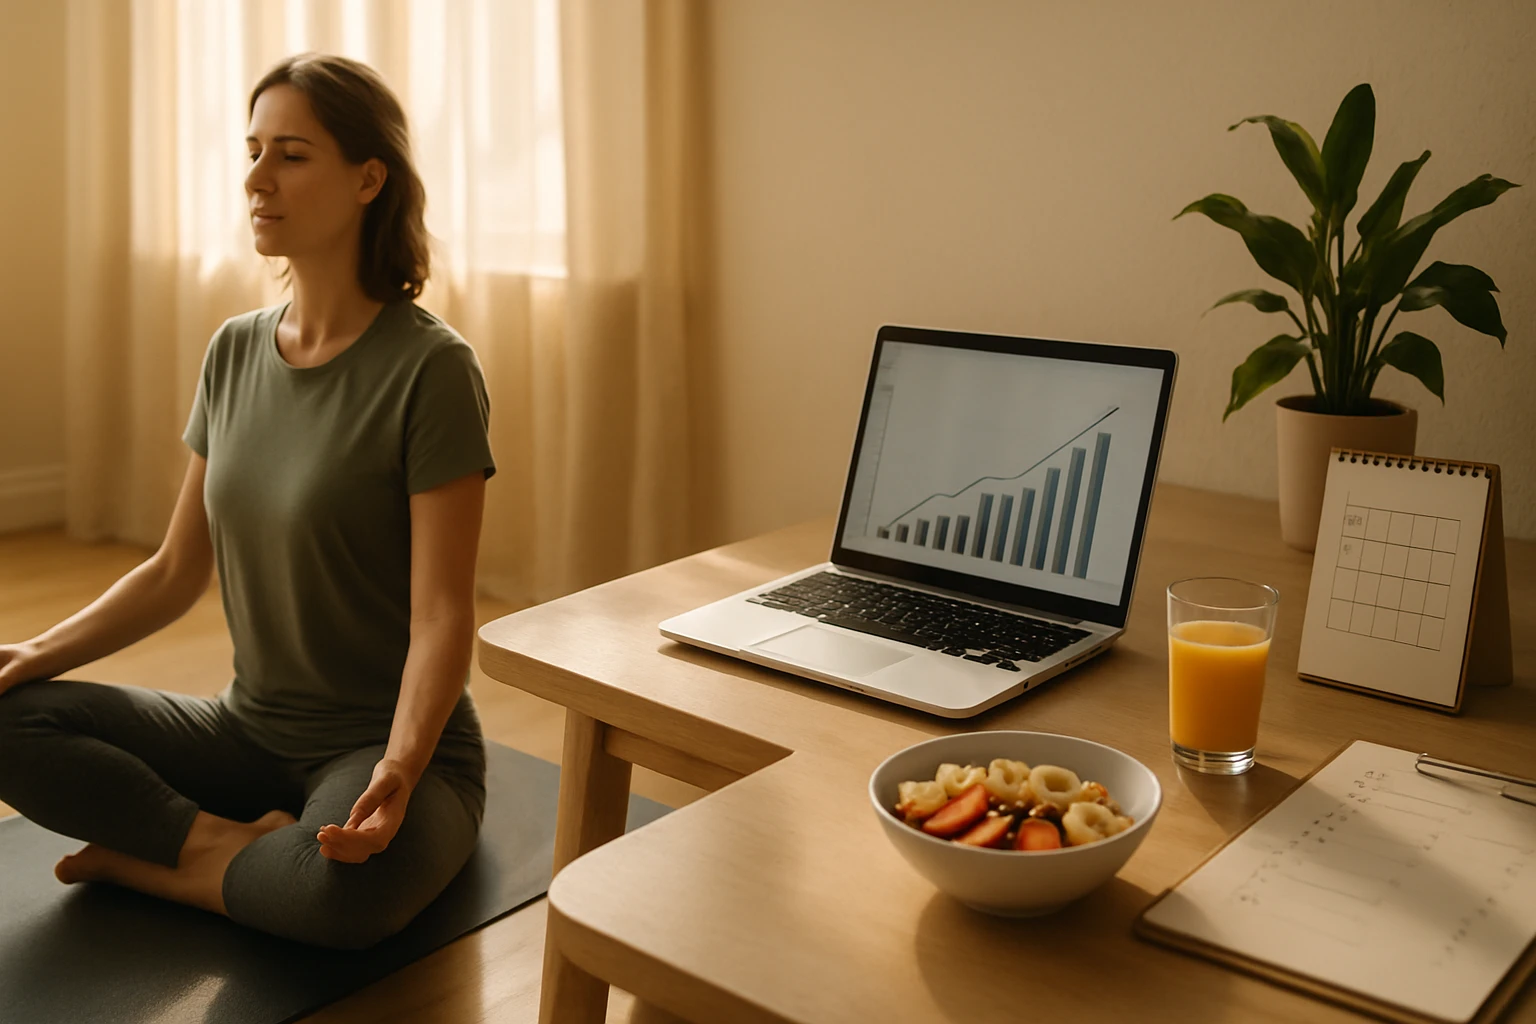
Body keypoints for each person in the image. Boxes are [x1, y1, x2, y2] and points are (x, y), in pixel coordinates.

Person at [0, 53, 496, 950]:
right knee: (6, 719)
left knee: (338, 895)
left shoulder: (433, 369)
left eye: (291, 155)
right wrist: (32, 653)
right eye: (253, 150)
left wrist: (400, 764)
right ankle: (217, 850)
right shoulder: (234, 349)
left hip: (382, 744)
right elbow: (173, 571)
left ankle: (150, 860)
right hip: (244, 733)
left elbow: (441, 615)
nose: (256, 178)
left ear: (369, 179)